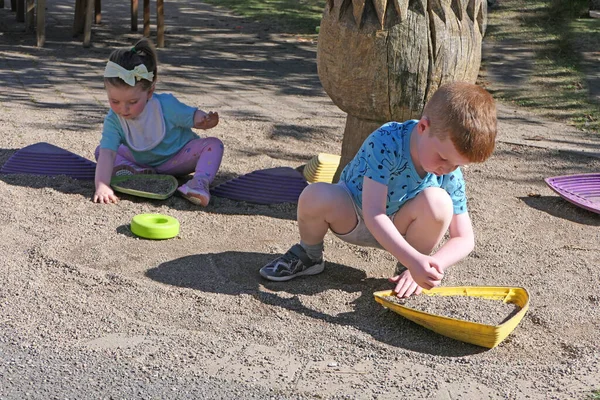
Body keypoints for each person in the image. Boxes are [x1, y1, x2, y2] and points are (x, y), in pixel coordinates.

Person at [260, 82, 497, 297]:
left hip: (403, 230)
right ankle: (309, 255)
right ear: (424, 127)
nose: (448, 169)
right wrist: (415, 260)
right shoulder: (388, 140)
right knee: (314, 195)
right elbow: (374, 214)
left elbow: (464, 238)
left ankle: (407, 273)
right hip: (355, 213)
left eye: (457, 164)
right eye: (444, 158)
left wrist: (430, 264)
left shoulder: (448, 168)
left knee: (439, 203)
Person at [93, 38, 222, 206]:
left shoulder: (165, 106)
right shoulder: (114, 119)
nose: (123, 109)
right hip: (142, 161)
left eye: (132, 102)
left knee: (214, 145)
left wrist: (204, 120)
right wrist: (102, 185)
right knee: (102, 151)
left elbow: (191, 116)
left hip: (177, 159)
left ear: (150, 91)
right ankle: (138, 173)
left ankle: (198, 183)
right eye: (115, 101)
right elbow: (108, 153)